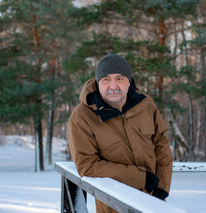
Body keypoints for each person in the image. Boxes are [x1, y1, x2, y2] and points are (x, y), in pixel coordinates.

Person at [68, 54, 173, 213]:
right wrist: (141, 178)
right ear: (98, 83)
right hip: (114, 205)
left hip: (153, 201)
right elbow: (87, 166)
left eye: (119, 78)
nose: (113, 86)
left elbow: (161, 143)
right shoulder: (82, 117)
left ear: (129, 81)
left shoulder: (145, 104)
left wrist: (163, 185)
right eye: (106, 79)